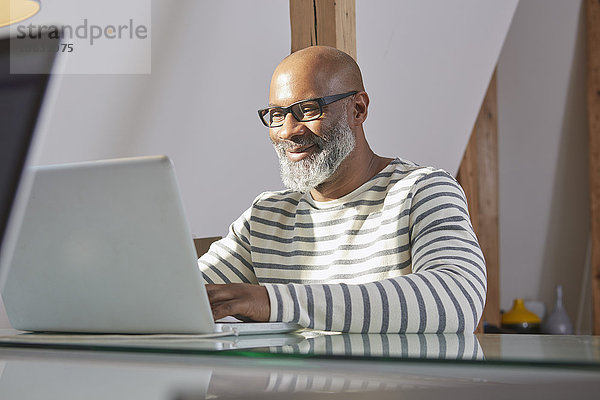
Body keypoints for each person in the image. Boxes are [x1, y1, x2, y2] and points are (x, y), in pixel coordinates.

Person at [198, 46, 486, 333]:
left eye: (308, 110)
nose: (287, 131)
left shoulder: (423, 191)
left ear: (358, 109)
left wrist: (273, 302)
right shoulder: (265, 217)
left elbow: (457, 300)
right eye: (276, 114)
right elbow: (183, 295)